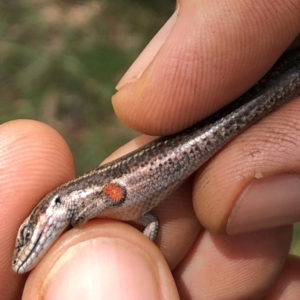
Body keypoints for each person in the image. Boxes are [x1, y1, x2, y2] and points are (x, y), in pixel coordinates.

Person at [2, 1, 300, 299]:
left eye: (28, 235)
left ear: (50, 206)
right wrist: (145, 248)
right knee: (247, 115)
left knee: (243, 112)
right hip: (169, 167)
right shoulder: (83, 209)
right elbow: (151, 220)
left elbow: (114, 192)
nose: (27, 249)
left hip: (169, 155)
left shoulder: (77, 201)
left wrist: (85, 216)